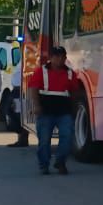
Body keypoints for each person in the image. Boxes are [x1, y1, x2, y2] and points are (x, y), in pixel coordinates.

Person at [25, 45, 77, 175]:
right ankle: (44, 164)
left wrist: (74, 109)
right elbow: (33, 88)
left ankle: (60, 161)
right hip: (45, 112)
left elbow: (75, 92)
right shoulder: (41, 72)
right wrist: (36, 106)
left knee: (67, 137)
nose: (60, 59)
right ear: (51, 58)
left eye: (63, 57)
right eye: (57, 56)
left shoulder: (70, 73)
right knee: (44, 140)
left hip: (64, 112)